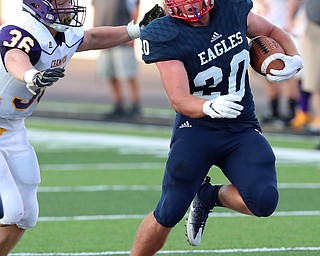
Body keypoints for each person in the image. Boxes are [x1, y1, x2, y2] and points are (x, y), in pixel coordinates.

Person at [130, 0, 303, 255]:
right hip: (196, 128)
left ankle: (208, 196)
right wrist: (208, 107)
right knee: (169, 211)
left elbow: (272, 33)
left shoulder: (231, 8)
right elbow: (179, 99)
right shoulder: (165, 31)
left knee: (264, 200)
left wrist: (294, 58)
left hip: (241, 126)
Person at [0, 1, 165, 255]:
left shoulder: (62, 33)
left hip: (12, 126)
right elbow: (14, 57)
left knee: (26, 214)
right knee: (11, 209)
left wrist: (134, 30)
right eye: (63, 2)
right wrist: (31, 76)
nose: (69, 6)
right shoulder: (22, 30)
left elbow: (92, 37)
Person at [92, 0, 141, 117]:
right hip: (103, 37)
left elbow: (134, 10)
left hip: (122, 37)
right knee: (109, 73)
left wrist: (132, 34)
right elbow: (96, 9)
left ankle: (135, 104)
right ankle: (118, 103)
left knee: (127, 73)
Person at [257, 0, 301, 126]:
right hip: (261, 29)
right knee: (265, 72)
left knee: (287, 73)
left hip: (279, 28)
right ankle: (274, 110)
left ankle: (292, 111)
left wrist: (289, 19)